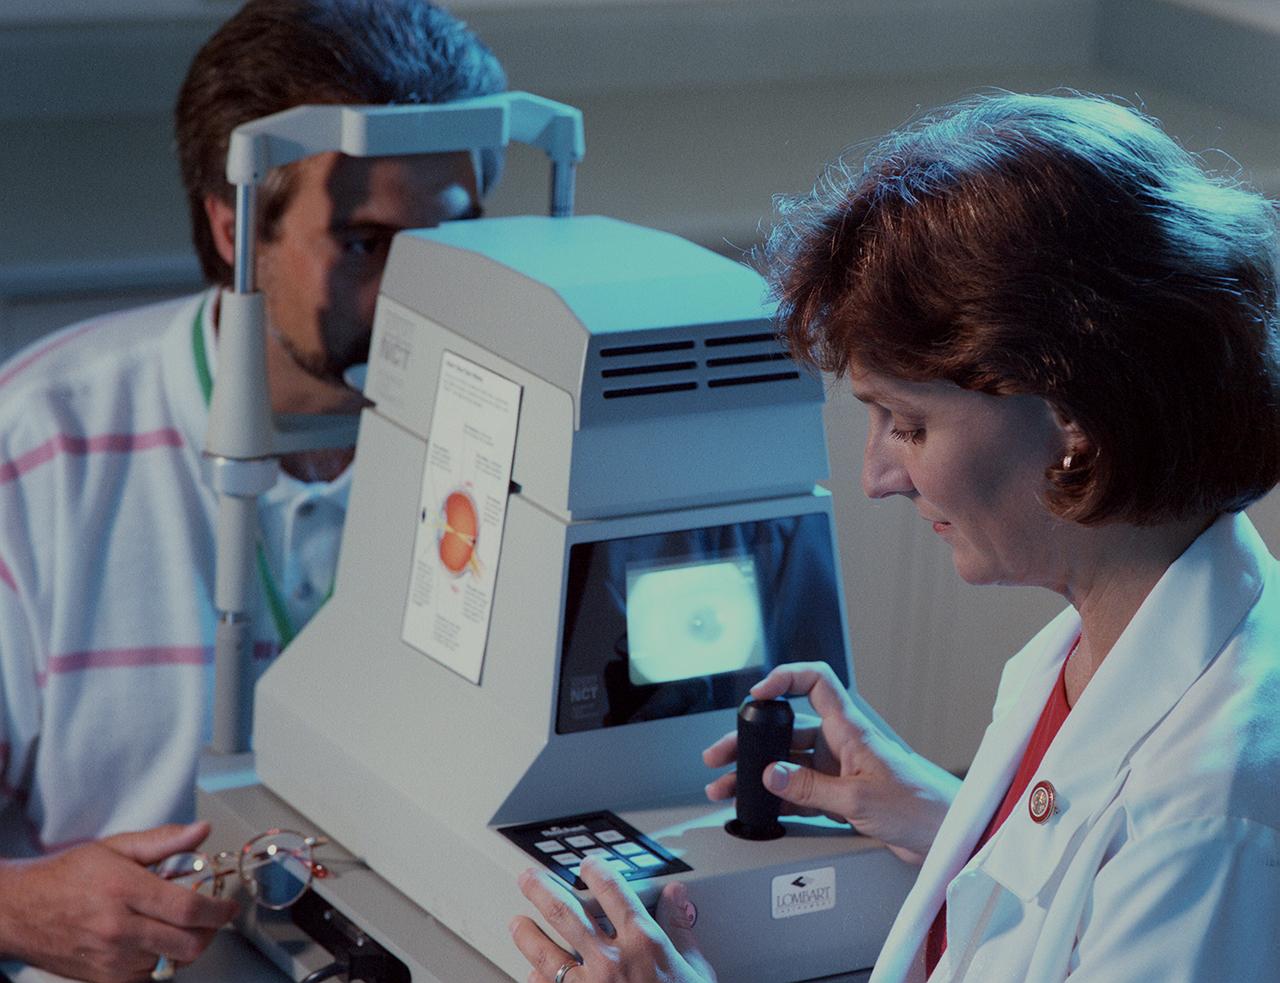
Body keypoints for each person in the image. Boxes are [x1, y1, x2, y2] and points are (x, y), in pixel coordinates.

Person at [509, 91, 1280, 982]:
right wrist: (954, 820)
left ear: (1074, 413)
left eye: (907, 425)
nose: (876, 475)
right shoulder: (1102, 642)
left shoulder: (1206, 823)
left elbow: (1144, 854)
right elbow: (1070, 890)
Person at [0, 1, 504, 978]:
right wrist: (22, 905)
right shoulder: (41, 450)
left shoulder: (504, 442)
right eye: (363, 243)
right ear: (233, 224)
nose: (417, 297)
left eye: (444, 241)